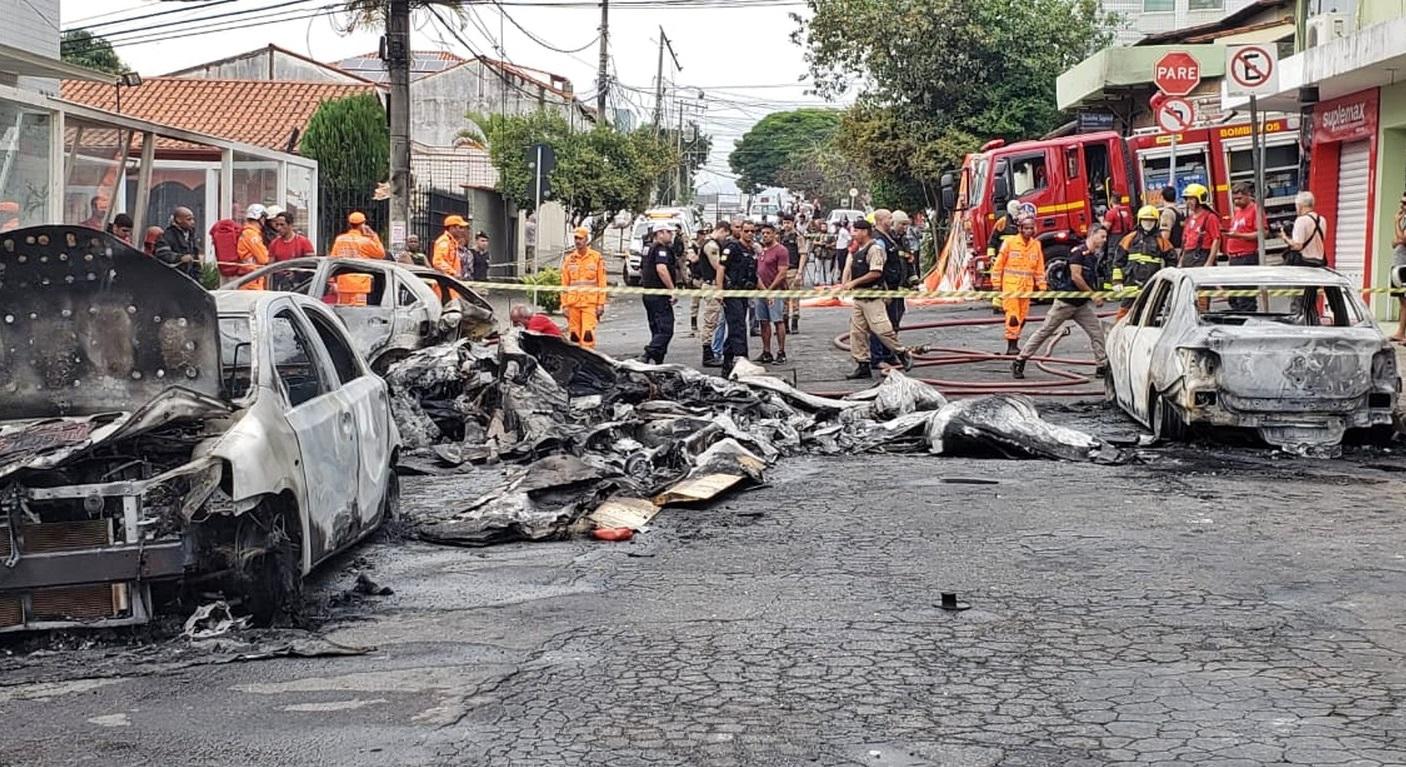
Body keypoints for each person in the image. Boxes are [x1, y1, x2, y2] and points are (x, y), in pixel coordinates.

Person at [1012, 225, 1109, 380]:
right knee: (1045, 331)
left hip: (1080, 305)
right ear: (1092, 235)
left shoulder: (1092, 256)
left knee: (1096, 332)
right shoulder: (1078, 253)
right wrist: (1093, 295)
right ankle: (1020, 360)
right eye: (1102, 237)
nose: (1104, 240)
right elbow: (1076, 277)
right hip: (1065, 303)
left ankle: (1101, 366)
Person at [840, 219, 911, 379]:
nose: (853, 234)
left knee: (882, 330)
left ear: (865, 232)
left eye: (856, 231)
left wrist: (854, 282)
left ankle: (902, 353)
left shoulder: (875, 249)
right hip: (859, 298)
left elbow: (876, 272)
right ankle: (862, 365)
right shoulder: (859, 250)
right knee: (857, 333)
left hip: (873, 297)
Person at [991, 215, 1047, 356]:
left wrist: (1042, 287)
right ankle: (1011, 346)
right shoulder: (1010, 243)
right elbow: (999, 265)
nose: (1029, 231)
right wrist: (996, 284)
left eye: (1031, 228)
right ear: (1020, 229)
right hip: (1011, 287)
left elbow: (1039, 268)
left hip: (1026, 288)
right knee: (1013, 317)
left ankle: (1014, 340)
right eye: (1026, 228)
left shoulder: (1036, 245)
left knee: (1022, 317)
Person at [1111, 206, 1174, 319]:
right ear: (1140, 221)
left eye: (1151, 220)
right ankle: (1119, 335)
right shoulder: (1129, 239)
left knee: (1151, 314)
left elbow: (1172, 260)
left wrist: (1166, 279)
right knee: (1124, 313)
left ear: (1156, 222)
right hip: (1131, 284)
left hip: (1152, 284)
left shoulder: (1161, 241)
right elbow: (1118, 261)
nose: (1148, 223)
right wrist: (1117, 281)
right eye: (1145, 220)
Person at [719, 221, 759, 376]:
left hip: (744, 293)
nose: (750, 233)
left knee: (736, 327)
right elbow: (721, 268)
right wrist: (719, 291)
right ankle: (742, 358)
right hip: (732, 292)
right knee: (739, 327)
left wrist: (766, 293)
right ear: (740, 231)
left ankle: (727, 364)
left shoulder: (751, 250)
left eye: (752, 231)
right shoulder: (732, 248)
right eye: (747, 230)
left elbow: (755, 275)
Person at [561, 226, 607, 349]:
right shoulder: (569, 259)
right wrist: (564, 305)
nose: (577, 241)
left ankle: (588, 362)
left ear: (586, 239)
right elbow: (565, 283)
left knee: (588, 335)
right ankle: (575, 363)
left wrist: (601, 304)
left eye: (580, 238)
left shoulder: (596, 258)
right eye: (576, 238)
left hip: (590, 304)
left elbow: (602, 282)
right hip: (573, 304)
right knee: (574, 336)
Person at [328, 211, 386, 305]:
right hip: (361, 284)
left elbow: (332, 259)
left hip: (343, 283)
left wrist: (331, 282)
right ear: (363, 224)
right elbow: (381, 254)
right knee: (359, 312)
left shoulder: (340, 239)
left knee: (343, 311)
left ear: (349, 224)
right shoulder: (365, 241)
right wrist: (373, 236)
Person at [640, 222, 677, 364]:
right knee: (666, 329)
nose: (671, 235)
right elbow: (661, 269)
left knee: (656, 328)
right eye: (669, 232)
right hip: (659, 295)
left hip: (648, 294)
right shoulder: (660, 249)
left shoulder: (647, 248)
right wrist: (671, 289)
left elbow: (642, 268)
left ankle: (658, 361)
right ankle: (647, 355)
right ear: (660, 233)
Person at [752, 222, 789, 364]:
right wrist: (762, 290)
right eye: (763, 233)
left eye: (768, 233)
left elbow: (782, 273)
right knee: (763, 321)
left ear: (774, 234)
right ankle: (766, 352)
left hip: (775, 291)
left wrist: (770, 290)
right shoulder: (761, 251)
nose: (765, 235)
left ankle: (781, 352)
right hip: (761, 291)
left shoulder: (781, 250)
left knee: (778, 321)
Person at [1222, 182, 1262, 311]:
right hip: (1235, 257)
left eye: (1239, 198)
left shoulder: (1255, 210)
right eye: (1234, 199)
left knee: (1246, 297)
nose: (1237, 202)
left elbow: (1262, 233)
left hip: (1247, 257)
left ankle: (1249, 322)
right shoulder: (1238, 212)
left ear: (1248, 195)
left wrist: (1238, 235)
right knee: (1233, 296)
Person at [698, 221, 729, 367]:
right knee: (711, 321)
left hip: (713, 285)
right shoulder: (711, 246)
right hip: (712, 286)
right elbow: (718, 266)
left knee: (717, 321)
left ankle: (712, 352)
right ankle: (707, 354)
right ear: (722, 230)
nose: (725, 238)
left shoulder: (710, 244)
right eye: (725, 234)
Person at [1178, 183, 1220, 268]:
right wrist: (1181, 261)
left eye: (1191, 199)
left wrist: (1209, 262)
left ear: (1200, 199)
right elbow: (1186, 243)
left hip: (1202, 257)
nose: (1188, 202)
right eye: (1186, 199)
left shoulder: (1210, 217)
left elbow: (1216, 240)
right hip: (1188, 257)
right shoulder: (1189, 218)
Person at [159, 206, 202, 280]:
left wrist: (198, 277)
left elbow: (195, 259)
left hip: (189, 278)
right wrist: (180, 258)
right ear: (178, 220)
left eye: (193, 219)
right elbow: (162, 254)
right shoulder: (168, 235)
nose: (192, 222)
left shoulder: (191, 236)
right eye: (189, 219)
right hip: (172, 279)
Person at [780, 214, 806, 334]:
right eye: (785, 222)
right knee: (783, 300)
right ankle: (784, 325)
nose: (786, 225)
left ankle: (794, 324)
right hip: (781, 272)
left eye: (788, 223)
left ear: (793, 223)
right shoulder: (779, 236)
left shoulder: (797, 236)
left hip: (793, 270)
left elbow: (803, 254)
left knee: (794, 299)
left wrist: (800, 273)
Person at [235, 204, 270, 291]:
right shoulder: (251, 234)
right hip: (252, 281)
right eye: (264, 218)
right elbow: (264, 258)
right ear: (260, 218)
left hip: (250, 278)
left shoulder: (249, 233)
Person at [1157, 185, 1184, 264]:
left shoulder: (1167, 213)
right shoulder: (1179, 211)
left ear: (1162, 197)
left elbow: (1165, 236)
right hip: (1180, 249)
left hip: (1172, 251)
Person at [1392, 194, 1406, 342]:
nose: (1401, 206)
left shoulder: (1401, 221)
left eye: (1405, 203)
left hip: (1404, 264)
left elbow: (1401, 239)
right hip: (1398, 263)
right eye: (1401, 202)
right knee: (1402, 301)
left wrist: (1396, 222)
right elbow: (1394, 241)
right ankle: (1400, 332)